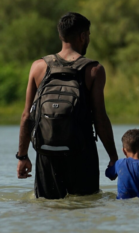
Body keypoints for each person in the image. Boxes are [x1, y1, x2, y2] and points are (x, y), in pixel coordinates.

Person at [16, 12, 119, 199]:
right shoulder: (94, 70)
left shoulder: (38, 66)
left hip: (46, 153)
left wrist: (22, 156)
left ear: (60, 35)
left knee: (48, 207)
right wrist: (113, 157)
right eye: (88, 35)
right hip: (82, 152)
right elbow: (100, 118)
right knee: (85, 204)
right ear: (83, 36)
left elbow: (26, 116)